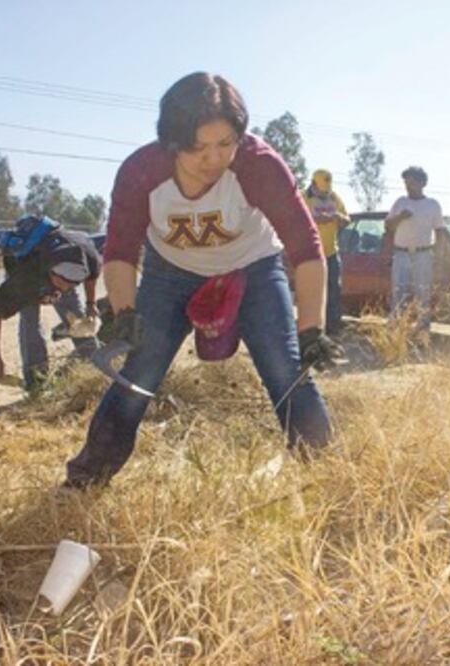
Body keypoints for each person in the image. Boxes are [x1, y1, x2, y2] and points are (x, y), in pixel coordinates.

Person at [64, 72, 339, 489]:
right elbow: (120, 252)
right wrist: (124, 313)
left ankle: (330, 480)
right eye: (198, 148)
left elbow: (306, 248)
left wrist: (312, 330)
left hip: (254, 269)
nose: (214, 160)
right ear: (172, 142)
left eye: (226, 143)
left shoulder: (259, 165)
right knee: (138, 373)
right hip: (170, 273)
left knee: (288, 372)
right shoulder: (142, 172)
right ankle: (85, 480)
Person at [0, 216, 101, 390]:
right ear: (52, 274)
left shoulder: (88, 256)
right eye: (64, 283)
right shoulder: (25, 280)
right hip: (29, 271)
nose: (68, 288)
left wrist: (91, 303)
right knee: (30, 321)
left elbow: (91, 278)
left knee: (78, 319)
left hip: (52, 266)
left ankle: (96, 371)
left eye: (74, 283)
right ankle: (37, 381)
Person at [384, 166, 450, 332]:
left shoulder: (432, 205)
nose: (408, 186)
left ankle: (422, 331)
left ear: (422, 183)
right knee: (399, 293)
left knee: (422, 294)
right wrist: (400, 217)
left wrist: (439, 258)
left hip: (423, 255)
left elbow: (440, 231)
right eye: (406, 182)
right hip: (401, 254)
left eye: (412, 182)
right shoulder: (400, 203)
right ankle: (396, 330)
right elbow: (388, 227)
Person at [302, 169, 350, 336]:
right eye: (322, 189)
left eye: (327, 189)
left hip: (331, 252)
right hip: (310, 254)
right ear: (313, 184)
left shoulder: (334, 197)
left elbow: (347, 218)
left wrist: (341, 219)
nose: (325, 193)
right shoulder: (303, 198)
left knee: (333, 292)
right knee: (313, 294)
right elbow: (299, 220)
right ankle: (312, 331)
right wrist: (321, 219)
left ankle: (333, 330)